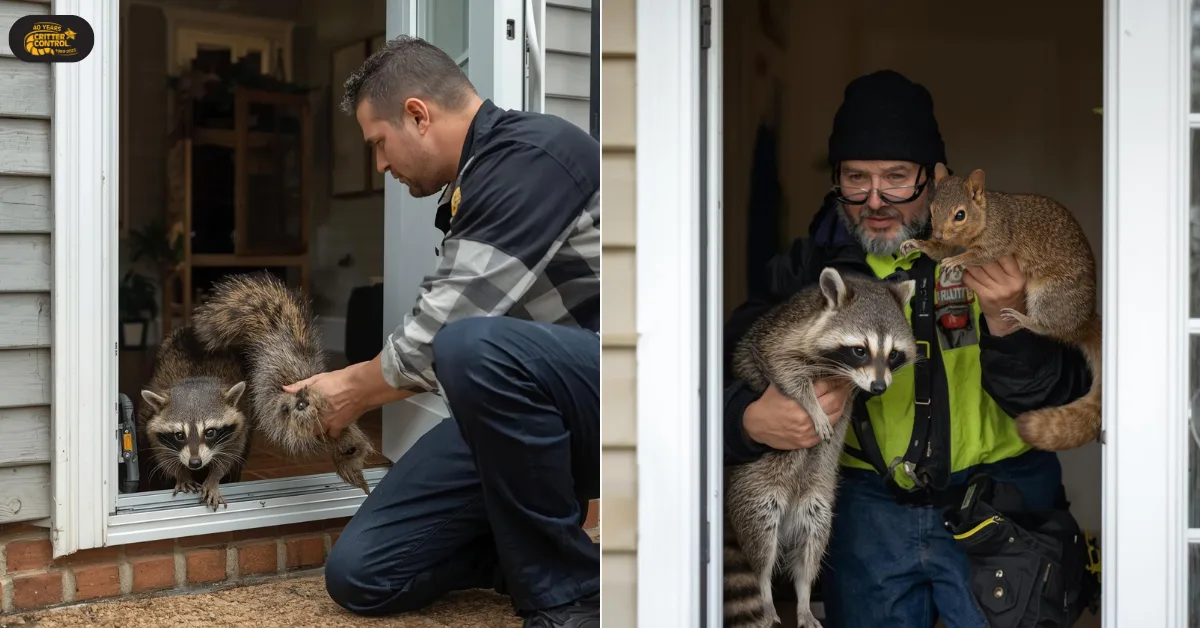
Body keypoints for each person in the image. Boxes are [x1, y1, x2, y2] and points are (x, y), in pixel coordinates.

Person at [721, 69, 1093, 627]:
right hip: (865, 514)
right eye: (855, 178)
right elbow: (721, 368)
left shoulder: (999, 253)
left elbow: (1062, 391)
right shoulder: (808, 270)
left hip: (1001, 507)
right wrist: (746, 420)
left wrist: (1006, 325)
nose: (875, 199)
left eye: (896, 177)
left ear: (932, 179)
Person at [283, 35, 600, 628]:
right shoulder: (476, 183)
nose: (379, 165)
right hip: (527, 414)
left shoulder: (535, 155)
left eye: (378, 144)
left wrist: (349, 388)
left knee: (469, 345)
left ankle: (568, 597)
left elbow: (446, 328)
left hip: (608, 401)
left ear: (417, 115)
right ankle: (543, 558)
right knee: (361, 573)